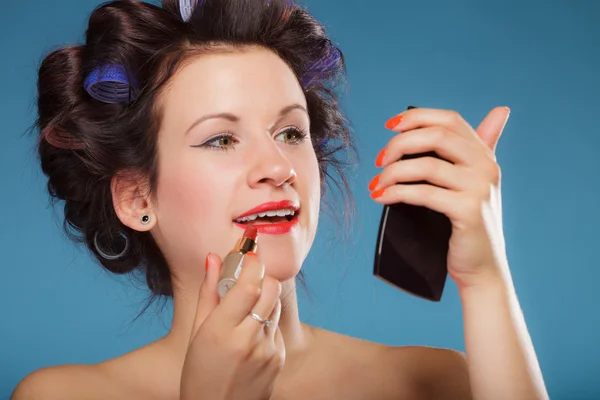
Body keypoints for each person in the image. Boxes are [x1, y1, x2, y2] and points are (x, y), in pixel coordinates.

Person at [12, 0, 549, 399]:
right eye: (221, 139)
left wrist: (486, 281)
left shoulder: (433, 381)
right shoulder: (61, 394)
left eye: (292, 133)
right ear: (135, 197)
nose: (277, 167)